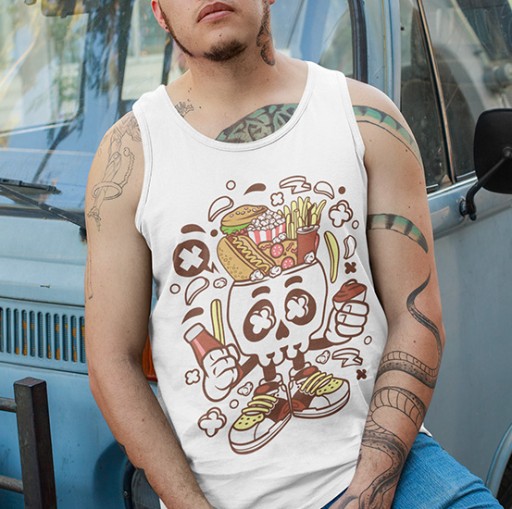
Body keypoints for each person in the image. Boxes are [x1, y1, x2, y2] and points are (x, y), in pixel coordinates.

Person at [84, 1, 502, 508]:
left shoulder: (365, 119)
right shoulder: (130, 156)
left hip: (386, 469)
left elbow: (416, 316)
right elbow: (111, 361)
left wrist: (369, 490)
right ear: (158, 10)